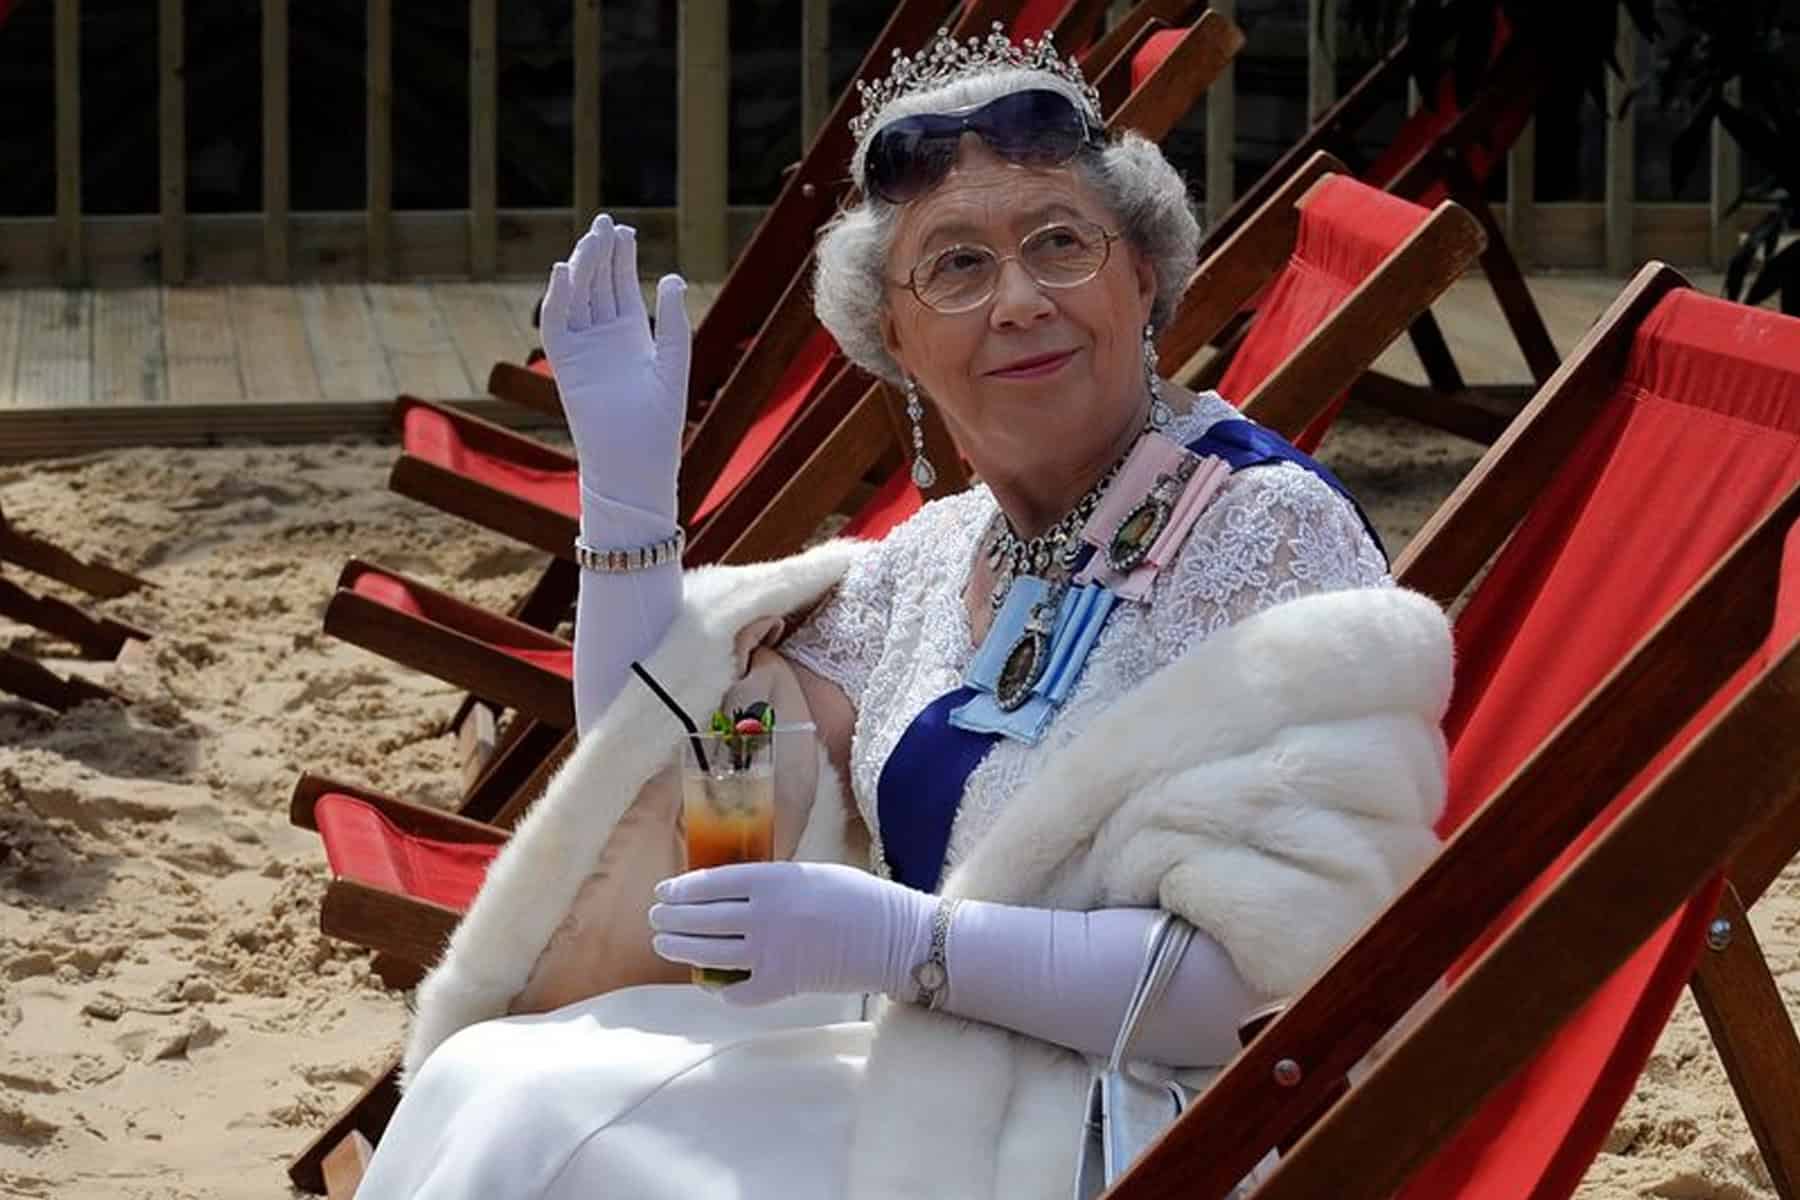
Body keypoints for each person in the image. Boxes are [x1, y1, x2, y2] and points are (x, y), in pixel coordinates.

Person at [354, 25, 1452, 1200]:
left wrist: (902, 943)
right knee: (490, 1078)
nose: (1019, 300)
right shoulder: (937, 558)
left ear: (1143, 277)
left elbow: (1276, 978)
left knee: (538, 1122)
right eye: (958, 267)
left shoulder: (1264, 530)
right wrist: (629, 501)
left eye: (1061, 243)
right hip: (945, 1079)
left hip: (1140, 1133)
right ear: (895, 341)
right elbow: (673, 765)